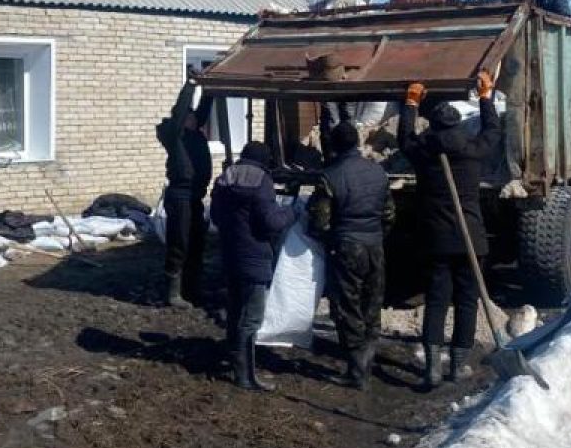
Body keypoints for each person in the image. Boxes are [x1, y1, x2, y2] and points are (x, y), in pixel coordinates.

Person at [398, 70, 502, 388]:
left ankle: (432, 367)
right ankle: (457, 367)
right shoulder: (472, 151)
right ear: (457, 125)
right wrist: (486, 98)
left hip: (436, 241)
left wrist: (411, 103)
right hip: (471, 238)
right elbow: (493, 131)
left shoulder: (424, 153)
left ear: (433, 125)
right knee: (467, 301)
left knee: (437, 299)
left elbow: (404, 139)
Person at [307, 122, 392, 389]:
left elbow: (320, 221)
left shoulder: (330, 175)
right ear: (356, 143)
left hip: (346, 246)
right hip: (375, 244)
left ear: (333, 145)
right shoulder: (378, 172)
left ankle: (357, 369)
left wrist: (329, 239)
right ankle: (366, 357)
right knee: (372, 301)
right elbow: (389, 214)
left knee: (347, 306)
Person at [210, 142, 295, 392]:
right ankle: (246, 376)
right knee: (252, 318)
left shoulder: (224, 179)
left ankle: (236, 361)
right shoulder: (262, 181)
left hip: (230, 255)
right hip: (254, 257)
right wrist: (292, 213)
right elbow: (270, 223)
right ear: (264, 160)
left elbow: (215, 217)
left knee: (236, 310)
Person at [155, 75, 216, 308]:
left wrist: (209, 88)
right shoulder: (176, 136)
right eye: (189, 116)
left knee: (196, 242)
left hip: (195, 197)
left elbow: (203, 112)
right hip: (180, 196)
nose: (194, 118)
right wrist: (190, 85)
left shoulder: (194, 134)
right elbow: (182, 111)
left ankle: (193, 289)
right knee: (179, 242)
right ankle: (172, 293)